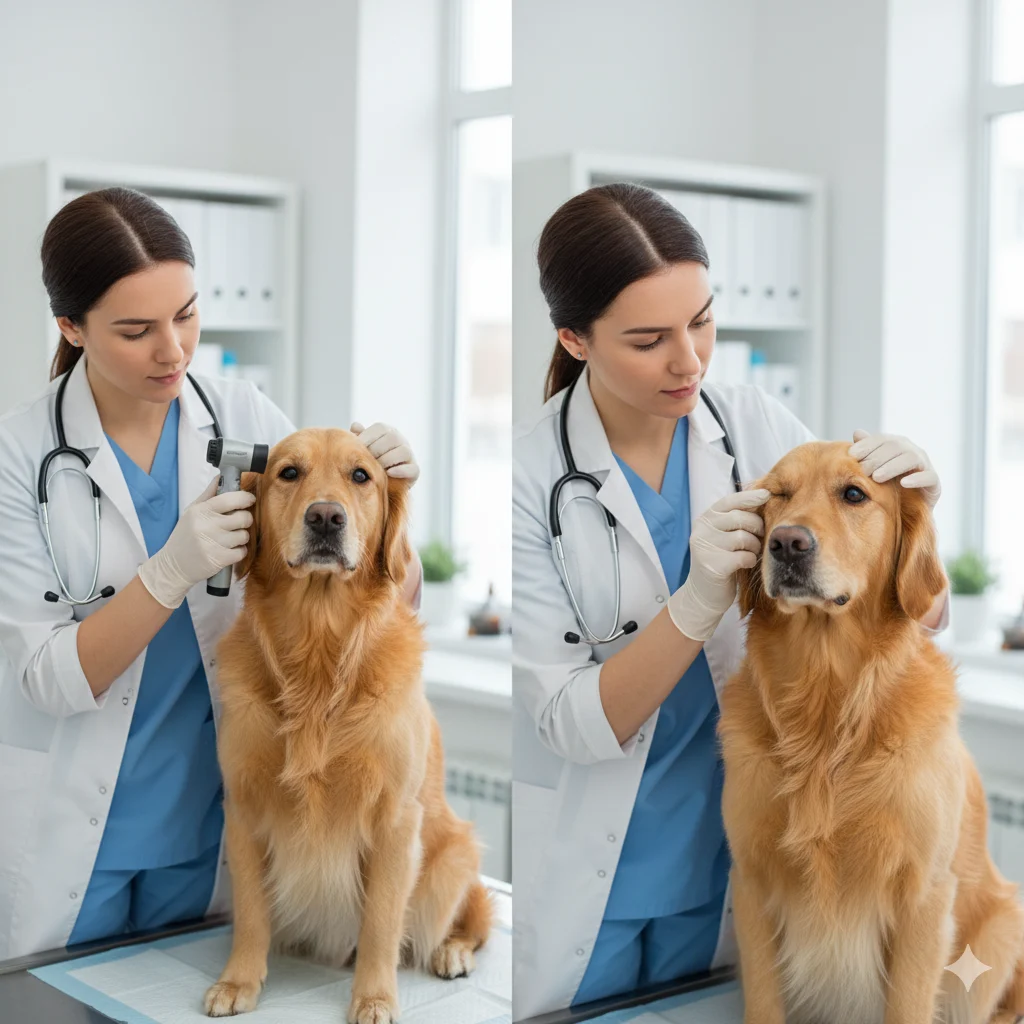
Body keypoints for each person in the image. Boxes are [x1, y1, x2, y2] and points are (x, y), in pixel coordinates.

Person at [510, 182, 948, 1019]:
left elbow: (910, 611)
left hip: (737, 874)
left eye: (702, 321)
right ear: (575, 338)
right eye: (649, 340)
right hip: (588, 883)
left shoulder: (756, 426)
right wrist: (697, 600)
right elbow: (571, 721)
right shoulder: (530, 475)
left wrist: (915, 515)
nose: (690, 361)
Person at [0, 187, 422, 959]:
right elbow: (47, 679)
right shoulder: (18, 457)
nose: (174, 350)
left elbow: (383, 594)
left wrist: (382, 501)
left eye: (187, 314)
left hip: (218, 830)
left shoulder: (247, 419)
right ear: (70, 326)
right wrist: (168, 574)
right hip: (72, 839)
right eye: (136, 329)